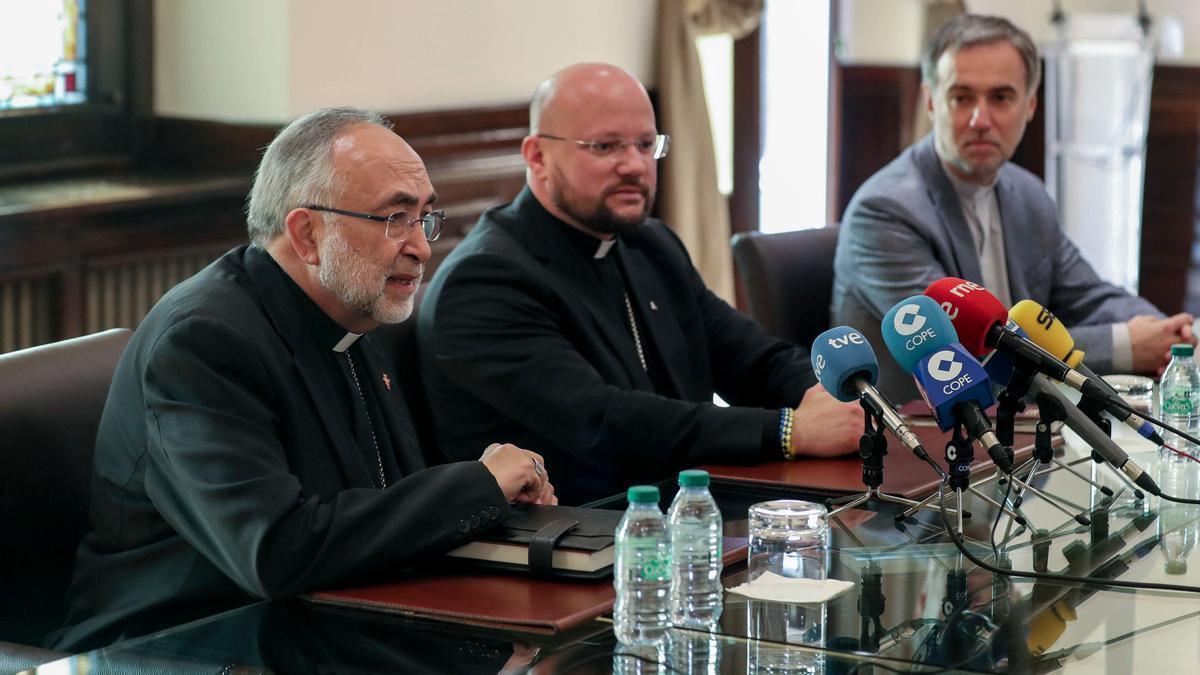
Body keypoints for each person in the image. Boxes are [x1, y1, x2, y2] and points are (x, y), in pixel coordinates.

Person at [52, 108, 554, 651]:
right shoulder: (203, 343)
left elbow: (385, 501)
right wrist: (478, 485)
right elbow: (274, 550)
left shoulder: (355, 314)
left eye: (424, 218)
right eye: (395, 219)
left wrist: (496, 502)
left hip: (328, 626)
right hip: (183, 647)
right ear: (307, 233)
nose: (422, 246)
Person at [417, 63, 861, 505]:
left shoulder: (648, 244)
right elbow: (602, 421)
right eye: (605, 146)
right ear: (537, 156)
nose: (634, 165)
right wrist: (791, 431)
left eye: (646, 145)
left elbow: (748, 355)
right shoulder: (485, 280)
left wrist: (832, 398)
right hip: (574, 537)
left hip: (678, 508)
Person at [833, 14, 1195, 402]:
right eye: (962, 97)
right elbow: (968, 348)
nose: (980, 119)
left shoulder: (1028, 194)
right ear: (931, 102)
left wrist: (1170, 335)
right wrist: (1123, 344)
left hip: (1025, 424)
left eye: (1001, 97)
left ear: (1030, 105)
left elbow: (1092, 296)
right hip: (921, 439)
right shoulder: (884, 211)